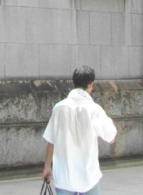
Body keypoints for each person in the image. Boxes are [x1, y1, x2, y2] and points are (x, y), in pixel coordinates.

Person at [42, 66, 117, 195]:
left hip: (64, 177)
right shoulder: (94, 109)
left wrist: (47, 167)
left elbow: (51, 141)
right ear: (91, 84)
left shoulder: (59, 108)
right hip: (88, 177)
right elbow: (111, 137)